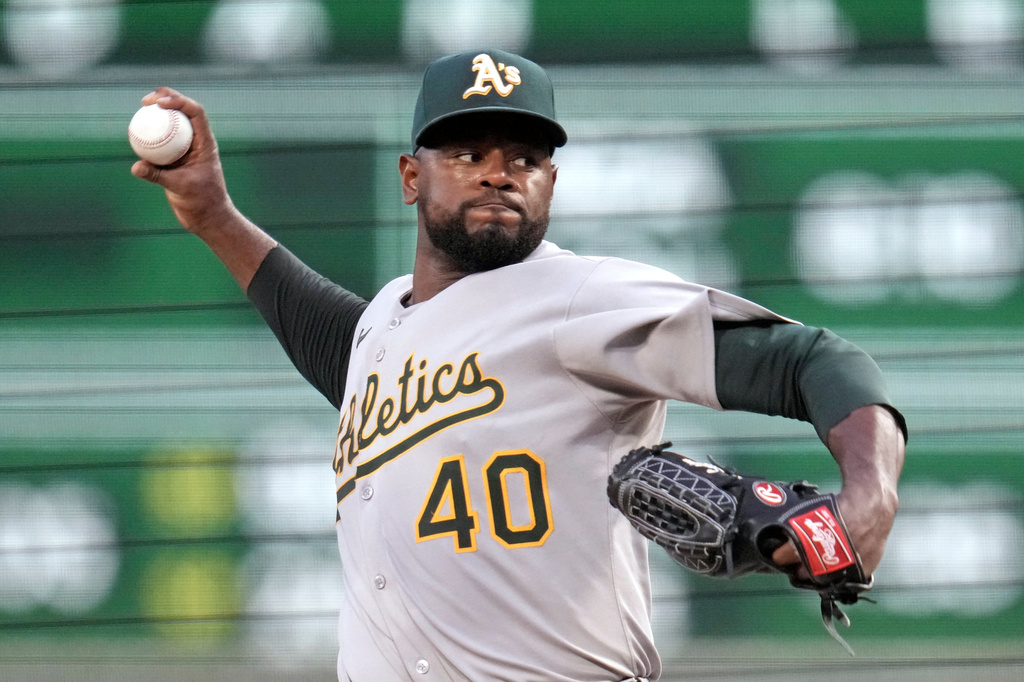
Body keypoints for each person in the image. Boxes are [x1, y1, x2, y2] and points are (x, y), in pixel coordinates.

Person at [132, 49, 906, 682]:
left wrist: (868, 499)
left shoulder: (580, 297)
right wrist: (211, 216)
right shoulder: (381, 333)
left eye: (526, 158)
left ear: (551, 184)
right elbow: (325, 332)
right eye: (469, 152)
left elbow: (813, 359)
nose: (500, 172)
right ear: (410, 177)